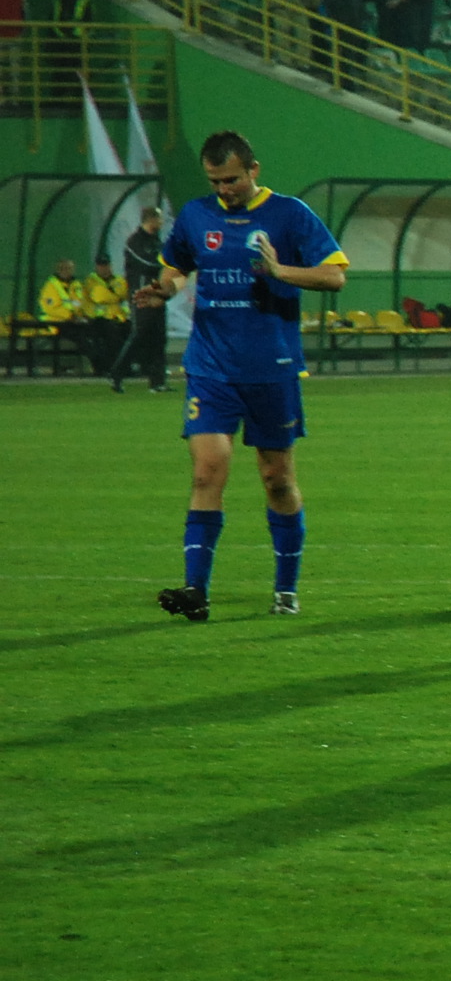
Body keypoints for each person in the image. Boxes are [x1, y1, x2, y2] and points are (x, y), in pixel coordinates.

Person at [143, 131, 350, 620]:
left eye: (232, 180)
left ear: (253, 170)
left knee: (276, 479)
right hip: (211, 367)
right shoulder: (197, 215)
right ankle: (195, 590)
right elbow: (176, 267)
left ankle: (285, 589)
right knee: (206, 471)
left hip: (272, 369)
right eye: (215, 181)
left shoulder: (290, 214)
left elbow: (334, 275)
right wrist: (165, 289)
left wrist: (281, 272)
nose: (224, 189)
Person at [110, 205, 172, 392]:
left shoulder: (156, 241)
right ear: (150, 219)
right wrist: (166, 265)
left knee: (159, 338)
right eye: (159, 218)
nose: (161, 222)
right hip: (141, 295)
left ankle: (158, 382)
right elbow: (147, 263)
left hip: (157, 294)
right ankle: (117, 373)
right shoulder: (135, 241)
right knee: (140, 334)